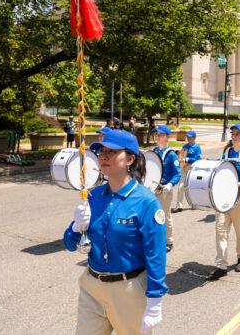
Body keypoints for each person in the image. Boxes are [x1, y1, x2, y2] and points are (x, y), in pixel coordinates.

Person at [63, 129, 168, 335]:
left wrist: (155, 300)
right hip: (92, 287)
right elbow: (68, 244)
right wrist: (76, 226)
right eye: (102, 150)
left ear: (130, 159)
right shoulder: (94, 196)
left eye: (112, 151)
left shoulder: (146, 202)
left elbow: (156, 254)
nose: (104, 155)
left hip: (128, 291)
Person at [208, 123, 240, 280]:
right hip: (224, 199)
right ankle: (221, 265)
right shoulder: (227, 153)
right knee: (220, 231)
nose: (234, 136)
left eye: (238, 133)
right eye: (233, 133)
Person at [151, 125, 181, 252]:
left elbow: (178, 173)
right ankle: (156, 239)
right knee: (153, 215)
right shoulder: (155, 152)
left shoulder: (171, 155)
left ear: (167, 137)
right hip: (154, 188)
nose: (158, 137)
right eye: (157, 134)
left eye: (161, 135)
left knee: (165, 215)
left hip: (165, 189)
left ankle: (169, 241)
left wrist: (170, 184)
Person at [173, 131, 202, 212]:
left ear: (194, 138)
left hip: (192, 169)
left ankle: (194, 204)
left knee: (191, 187)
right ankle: (179, 206)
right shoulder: (185, 146)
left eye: (190, 137)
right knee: (180, 186)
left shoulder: (197, 147)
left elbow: (198, 159)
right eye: (188, 137)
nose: (188, 139)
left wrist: (187, 159)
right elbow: (181, 156)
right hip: (184, 167)